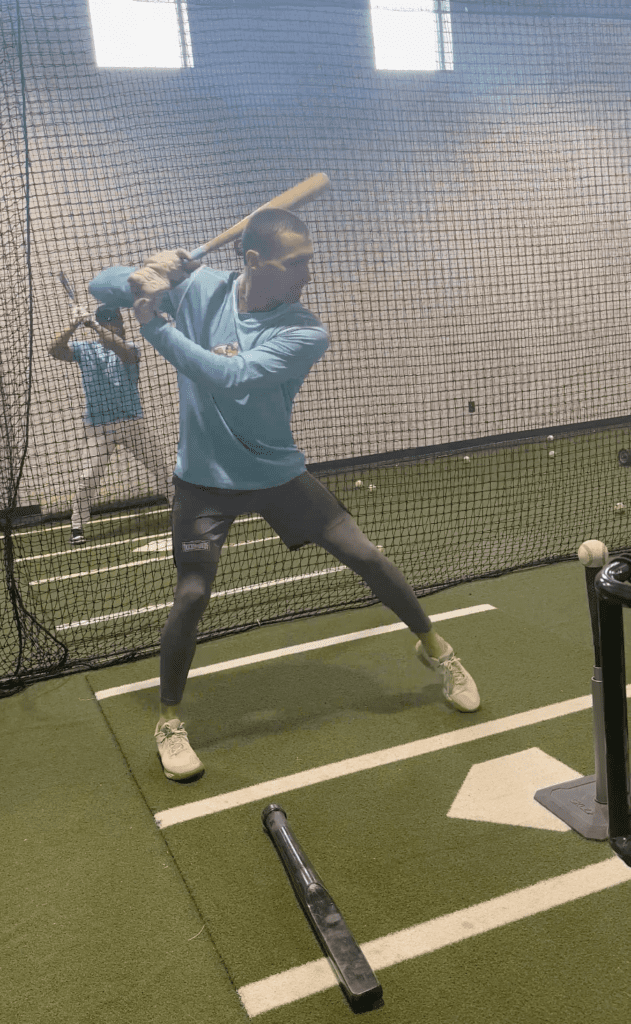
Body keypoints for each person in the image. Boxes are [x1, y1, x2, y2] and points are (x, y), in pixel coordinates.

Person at [89, 208, 480, 783]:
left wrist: (156, 325)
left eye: (307, 264)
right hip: (203, 479)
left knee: (366, 556)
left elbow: (231, 377)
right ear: (253, 262)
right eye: (294, 264)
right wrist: (145, 277)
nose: (306, 276)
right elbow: (102, 282)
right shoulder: (200, 288)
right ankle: (169, 721)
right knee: (192, 594)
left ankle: (437, 650)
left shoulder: (304, 330)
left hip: (277, 475)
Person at [48, 305, 174, 544]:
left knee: (161, 468)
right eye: (115, 323)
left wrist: (94, 325)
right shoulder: (85, 349)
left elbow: (125, 352)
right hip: (98, 426)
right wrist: (74, 323)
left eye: (120, 323)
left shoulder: (130, 348)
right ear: (107, 325)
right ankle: (77, 527)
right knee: (88, 477)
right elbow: (54, 350)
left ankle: (180, 511)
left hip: (131, 422)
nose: (122, 327)